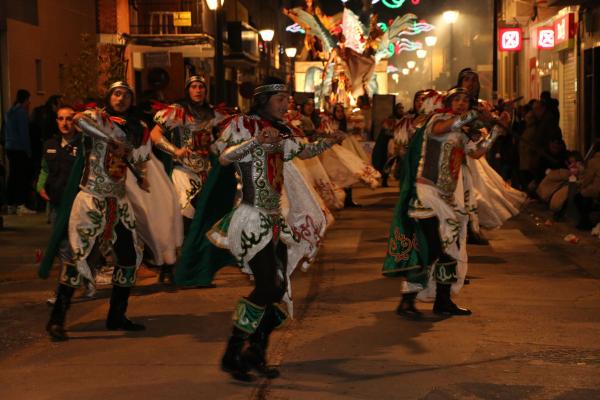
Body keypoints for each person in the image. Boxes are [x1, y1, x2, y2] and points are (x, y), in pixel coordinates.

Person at [211, 77, 342, 381]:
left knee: (278, 288)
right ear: (263, 100)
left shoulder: (284, 131)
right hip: (250, 217)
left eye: (287, 99)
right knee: (268, 286)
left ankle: (256, 353)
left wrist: (329, 141)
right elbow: (224, 158)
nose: (286, 104)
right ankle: (233, 353)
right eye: (280, 99)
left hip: (274, 219)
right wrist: (257, 141)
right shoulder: (243, 124)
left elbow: (303, 152)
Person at [384, 88, 506, 318]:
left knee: (449, 250)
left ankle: (442, 300)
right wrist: (475, 114)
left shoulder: (461, 132)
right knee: (430, 249)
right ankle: (407, 301)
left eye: (466, 100)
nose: (461, 103)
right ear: (447, 102)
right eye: (457, 99)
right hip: (427, 195)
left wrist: (496, 130)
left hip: (448, 200)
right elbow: (446, 127)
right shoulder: (436, 121)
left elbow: (477, 152)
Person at [44, 81, 150, 341]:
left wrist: (141, 172)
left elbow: (140, 157)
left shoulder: (137, 127)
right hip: (92, 199)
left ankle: (116, 316)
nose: (121, 98)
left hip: (118, 201)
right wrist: (111, 139)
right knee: (78, 256)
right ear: (108, 96)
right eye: (116, 93)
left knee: (128, 258)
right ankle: (57, 319)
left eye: (126, 94)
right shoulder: (97, 118)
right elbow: (79, 120)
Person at [149, 75, 217, 282]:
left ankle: (196, 267)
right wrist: (174, 150)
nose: (198, 90)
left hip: (206, 171)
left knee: (205, 220)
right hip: (183, 171)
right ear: (187, 89)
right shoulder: (176, 111)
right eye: (194, 87)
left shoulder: (212, 112)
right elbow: (155, 135)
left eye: (201, 87)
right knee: (183, 216)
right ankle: (170, 266)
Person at [5, 89, 36, 215]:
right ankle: (20, 204)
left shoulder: (10, 112)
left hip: (10, 147)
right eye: (28, 99)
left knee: (13, 176)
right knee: (21, 177)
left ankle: (10, 204)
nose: (29, 102)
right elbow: (24, 134)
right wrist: (28, 151)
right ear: (25, 99)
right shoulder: (21, 113)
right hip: (19, 149)